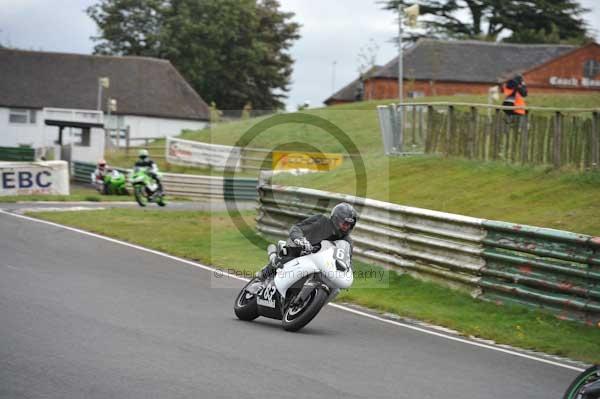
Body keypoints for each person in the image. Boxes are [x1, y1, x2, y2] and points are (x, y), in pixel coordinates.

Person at [256, 202, 358, 280]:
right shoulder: (321, 220)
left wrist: (347, 272)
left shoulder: (347, 241)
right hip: (303, 250)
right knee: (289, 252)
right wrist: (301, 240)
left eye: (349, 224)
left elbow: (347, 261)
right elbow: (297, 228)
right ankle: (265, 272)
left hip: (321, 264)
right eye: (344, 223)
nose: (346, 226)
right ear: (336, 219)